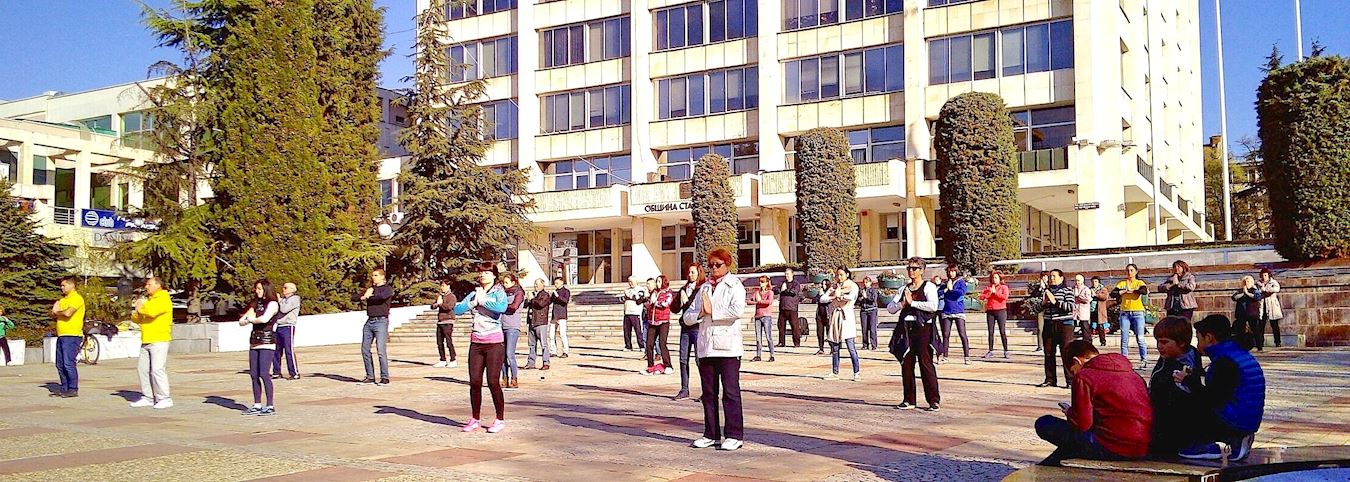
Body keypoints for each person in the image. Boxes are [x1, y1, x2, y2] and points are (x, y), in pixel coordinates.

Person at [1034, 340, 1152, 466]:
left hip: (1112, 447)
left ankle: (1047, 466)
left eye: (1072, 371)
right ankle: (1047, 465)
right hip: (1141, 446)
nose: (1074, 375)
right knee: (1070, 445)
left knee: (1044, 423)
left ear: (1076, 361)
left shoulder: (1084, 376)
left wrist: (1070, 412)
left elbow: (1082, 424)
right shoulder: (1133, 374)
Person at [1179, 315, 1265, 461]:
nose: (1197, 345)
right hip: (1248, 418)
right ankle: (1238, 440)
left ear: (1209, 338)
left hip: (1236, 421)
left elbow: (1213, 398)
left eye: (1199, 339)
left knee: (1189, 403)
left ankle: (1211, 445)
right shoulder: (1237, 353)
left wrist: (1187, 381)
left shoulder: (1224, 362)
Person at [690, 248, 748, 451]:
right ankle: (711, 433)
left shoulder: (735, 285)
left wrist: (711, 311)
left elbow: (737, 310)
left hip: (728, 347)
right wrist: (700, 313)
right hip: (706, 347)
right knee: (708, 393)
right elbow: (688, 315)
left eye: (718, 265)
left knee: (730, 392)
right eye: (711, 265)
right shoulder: (704, 287)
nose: (714, 268)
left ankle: (734, 435)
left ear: (727, 265)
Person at [453, 265, 510, 434]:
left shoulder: (499, 292)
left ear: (494, 275)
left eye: (487, 272)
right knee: (475, 382)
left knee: (493, 381)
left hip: (494, 343)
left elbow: (502, 308)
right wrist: (473, 302)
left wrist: (483, 300)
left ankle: (499, 419)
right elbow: (457, 310)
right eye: (481, 273)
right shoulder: (474, 293)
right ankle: (475, 418)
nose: (483, 275)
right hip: (476, 343)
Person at [886, 257, 941, 411]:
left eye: (914, 268)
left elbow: (933, 306)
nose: (911, 271)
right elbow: (890, 308)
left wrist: (913, 303)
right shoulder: (903, 289)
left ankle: (933, 400)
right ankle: (909, 399)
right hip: (906, 328)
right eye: (909, 268)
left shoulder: (928, 286)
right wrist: (903, 303)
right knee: (907, 363)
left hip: (923, 329)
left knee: (926, 364)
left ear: (922, 270)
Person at [1148, 316, 1205, 456]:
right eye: (1158, 341)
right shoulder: (1167, 361)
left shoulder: (1183, 363)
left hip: (1177, 427)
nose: (1159, 346)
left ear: (1181, 343)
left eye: (1164, 342)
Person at [128, 277, 174, 409]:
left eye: (149, 284)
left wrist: (141, 306)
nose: (146, 287)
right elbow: (137, 318)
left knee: (157, 369)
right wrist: (137, 310)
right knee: (142, 369)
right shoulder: (149, 300)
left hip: (159, 339)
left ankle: (164, 398)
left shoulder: (163, 298)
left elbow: (151, 312)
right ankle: (147, 397)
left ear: (158, 285)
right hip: (146, 338)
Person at [239, 279, 280, 416]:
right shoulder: (255, 304)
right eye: (256, 288)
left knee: (264, 373)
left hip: (267, 341)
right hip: (254, 341)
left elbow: (264, 319)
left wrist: (251, 319)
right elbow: (242, 321)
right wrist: (249, 318)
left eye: (260, 289)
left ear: (266, 289)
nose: (257, 291)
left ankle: (270, 405)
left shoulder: (272, 304)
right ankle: (257, 404)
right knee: (254, 374)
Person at [1038, 269, 1078, 388]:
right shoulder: (1046, 291)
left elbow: (1070, 307)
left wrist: (1055, 302)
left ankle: (1070, 380)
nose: (1051, 279)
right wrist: (1043, 303)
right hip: (1049, 324)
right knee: (1049, 352)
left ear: (1061, 278)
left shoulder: (1067, 290)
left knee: (1066, 352)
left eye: (1054, 276)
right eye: (1050, 276)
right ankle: (1050, 379)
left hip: (1064, 324)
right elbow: (1035, 308)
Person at [821, 267, 861, 381]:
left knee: (850, 346)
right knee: (835, 346)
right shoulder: (834, 286)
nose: (839, 277)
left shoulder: (852, 285)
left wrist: (840, 295)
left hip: (847, 315)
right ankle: (835, 372)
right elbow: (823, 298)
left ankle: (856, 372)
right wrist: (833, 296)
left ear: (847, 274)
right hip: (836, 315)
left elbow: (852, 297)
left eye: (841, 275)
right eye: (837, 275)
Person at [673, 263, 705, 401]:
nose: (690, 275)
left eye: (693, 272)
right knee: (683, 359)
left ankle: (706, 391)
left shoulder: (702, 288)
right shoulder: (684, 288)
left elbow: (697, 306)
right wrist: (679, 299)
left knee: (700, 360)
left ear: (699, 273)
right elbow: (674, 308)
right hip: (685, 327)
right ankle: (684, 389)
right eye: (689, 272)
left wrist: (686, 301)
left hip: (697, 327)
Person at [358, 269, 394, 385]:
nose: (373, 277)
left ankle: (384, 377)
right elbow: (355, 297)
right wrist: (365, 295)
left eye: (376, 275)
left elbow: (380, 298)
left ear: (382, 276)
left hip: (381, 321)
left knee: (381, 350)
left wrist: (368, 296)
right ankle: (370, 376)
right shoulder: (370, 289)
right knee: (365, 349)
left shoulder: (387, 289)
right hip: (370, 321)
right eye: (373, 275)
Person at [50, 278, 85, 398]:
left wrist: (56, 311)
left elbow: (68, 313)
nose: (61, 288)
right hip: (61, 335)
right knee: (59, 364)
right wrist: (55, 312)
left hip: (72, 335)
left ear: (71, 286)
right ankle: (64, 388)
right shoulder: (63, 300)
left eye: (64, 285)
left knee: (68, 363)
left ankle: (73, 388)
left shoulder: (76, 298)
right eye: (61, 286)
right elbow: (53, 314)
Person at [1113, 264, 1150, 369]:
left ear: (1136, 272)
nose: (1129, 272)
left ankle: (1144, 359)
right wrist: (1124, 291)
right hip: (1125, 313)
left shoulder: (1139, 282)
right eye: (1128, 270)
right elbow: (1113, 293)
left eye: (1132, 270)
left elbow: (1143, 291)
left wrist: (1133, 291)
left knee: (1140, 338)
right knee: (1124, 338)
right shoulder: (1122, 283)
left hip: (1138, 312)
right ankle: (1124, 360)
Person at [938, 265, 971, 365]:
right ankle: (945, 356)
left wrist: (952, 289)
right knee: (945, 334)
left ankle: (967, 357)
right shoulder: (946, 282)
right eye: (950, 271)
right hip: (947, 311)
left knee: (962, 334)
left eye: (953, 271)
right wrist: (945, 290)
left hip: (958, 311)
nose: (951, 273)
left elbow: (961, 293)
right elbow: (938, 293)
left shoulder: (961, 282)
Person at [499, 274, 526, 390]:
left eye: (507, 282)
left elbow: (514, 307)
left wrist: (501, 307)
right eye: (503, 283)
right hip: (501, 326)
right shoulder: (502, 293)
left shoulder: (518, 292)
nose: (504, 285)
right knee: (502, 355)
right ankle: (504, 377)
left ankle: (514, 378)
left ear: (513, 282)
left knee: (510, 354)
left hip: (512, 326)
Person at [643, 276, 674, 374]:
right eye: (657, 281)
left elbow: (666, 304)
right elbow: (648, 304)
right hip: (652, 321)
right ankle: (650, 366)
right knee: (649, 344)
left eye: (660, 281)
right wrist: (647, 300)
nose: (658, 283)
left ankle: (668, 365)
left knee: (662, 343)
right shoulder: (654, 292)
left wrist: (655, 302)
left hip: (663, 321)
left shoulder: (668, 292)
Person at [272, 282, 301, 380]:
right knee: (276, 350)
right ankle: (276, 372)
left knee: (289, 350)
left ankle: (294, 373)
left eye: (285, 287)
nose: (283, 289)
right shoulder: (283, 300)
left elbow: (284, 309)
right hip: (279, 326)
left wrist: (279, 300)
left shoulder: (295, 299)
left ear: (292, 289)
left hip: (288, 326)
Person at [979, 270, 1010, 359]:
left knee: (1002, 331)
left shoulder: (1004, 287)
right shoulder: (989, 287)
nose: (994, 279)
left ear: (1000, 278)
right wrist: (989, 293)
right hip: (990, 311)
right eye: (993, 278)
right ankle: (990, 351)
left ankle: (1006, 350)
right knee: (990, 332)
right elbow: (981, 296)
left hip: (1001, 311)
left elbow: (1004, 297)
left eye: (996, 278)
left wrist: (995, 293)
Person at [525, 279, 552, 371]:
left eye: (537, 284)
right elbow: (525, 305)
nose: (535, 286)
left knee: (544, 344)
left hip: (540, 322)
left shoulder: (545, 295)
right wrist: (527, 299)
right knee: (531, 344)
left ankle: (546, 362)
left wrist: (532, 299)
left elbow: (541, 304)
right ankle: (531, 363)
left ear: (542, 285)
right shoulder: (533, 294)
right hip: (531, 321)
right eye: (535, 284)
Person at [432, 280, 459, 368]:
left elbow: (448, 307)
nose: (442, 287)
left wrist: (440, 304)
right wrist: (437, 303)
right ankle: (442, 359)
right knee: (439, 342)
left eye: (443, 286)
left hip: (448, 321)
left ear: (448, 286)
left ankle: (453, 359)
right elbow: (432, 306)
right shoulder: (440, 296)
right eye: (441, 286)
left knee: (448, 342)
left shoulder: (452, 297)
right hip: (440, 321)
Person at [775, 267, 802, 348]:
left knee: (794, 326)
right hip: (782, 308)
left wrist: (785, 290)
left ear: (792, 274)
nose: (786, 275)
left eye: (788, 274)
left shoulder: (796, 283)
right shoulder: (782, 283)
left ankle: (796, 343)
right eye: (785, 274)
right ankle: (781, 342)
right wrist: (780, 290)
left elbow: (794, 292)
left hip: (792, 308)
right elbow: (775, 290)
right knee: (781, 326)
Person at [1257, 269, 1283, 350]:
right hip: (1262, 306)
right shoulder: (1258, 283)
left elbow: (1276, 289)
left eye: (1265, 275)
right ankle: (1260, 342)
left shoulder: (1273, 282)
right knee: (1261, 325)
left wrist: (1265, 290)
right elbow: (1257, 292)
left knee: (1274, 325)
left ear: (1268, 275)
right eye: (1262, 275)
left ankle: (1277, 342)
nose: (1264, 277)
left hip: (1272, 306)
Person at [750, 275, 775, 362]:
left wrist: (759, 301)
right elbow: (749, 301)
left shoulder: (770, 292)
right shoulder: (757, 292)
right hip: (758, 316)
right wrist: (757, 302)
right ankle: (758, 355)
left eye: (762, 282)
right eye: (760, 281)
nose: (761, 283)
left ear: (767, 283)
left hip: (766, 316)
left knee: (768, 336)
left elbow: (769, 302)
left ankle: (772, 355)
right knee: (758, 338)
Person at [621, 277, 647, 352]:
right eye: (629, 281)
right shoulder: (627, 290)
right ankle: (628, 346)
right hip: (627, 312)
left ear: (636, 281)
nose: (630, 283)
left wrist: (630, 296)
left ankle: (642, 346)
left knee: (638, 331)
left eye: (632, 281)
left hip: (636, 313)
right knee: (626, 331)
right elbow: (622, 299)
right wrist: (628, 296)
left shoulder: (640, 289)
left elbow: (638, 298)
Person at [813, 279, 835, 356]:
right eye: (822, 284)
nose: (823, 286)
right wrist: (819, 295)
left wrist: (823, 296)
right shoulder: (821, 292)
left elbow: (827, 300)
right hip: (820, 314)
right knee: (820, 332)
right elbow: (815, 300)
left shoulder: (831, 292)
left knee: (829, 333)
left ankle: (832, 349)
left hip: (828, 314)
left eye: (825, 284)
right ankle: (821, 348)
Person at [550, 277, 571, 358]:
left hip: (562, 315)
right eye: (555, 283)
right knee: (551, 335)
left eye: (557, 283)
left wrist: (558, 296)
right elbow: (550, 301)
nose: (555, 285)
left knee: (562, 334)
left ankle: (565, 351)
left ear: (562, 282)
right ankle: (553, 351)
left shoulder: (566, 291)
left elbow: (565, 301)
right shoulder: (555, 292)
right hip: (554, 315)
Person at [858, 277, 880, 350]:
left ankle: (874, 345)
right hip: (864, 310)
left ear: (870, 283)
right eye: (864, 282)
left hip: (872, 310)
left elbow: (873, 300)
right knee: (864, 328)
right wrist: (860, 299)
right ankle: (865, 345)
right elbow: (857, 301)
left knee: (872, 328)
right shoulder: (862, 290)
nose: (865, 284)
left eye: (867, 282)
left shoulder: (873, 290)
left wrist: (866, 297)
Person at [1072, 275, 1094, 345]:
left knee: (1085, 327)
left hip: (1083, 311)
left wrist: (1079, 297)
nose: (1077, 282)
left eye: (1078, 280)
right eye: (1076, 280)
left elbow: (1088, 299)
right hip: (1075, 311)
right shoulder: (1073, 288)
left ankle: (1087, 342)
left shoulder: (1086, 289)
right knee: (1073, 327)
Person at [1090, 277, 1112, 346]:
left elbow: (1104, 297)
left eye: (1096, 281)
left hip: (1100, 310)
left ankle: (1103, 341)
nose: (1094, 283)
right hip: (1092, 310)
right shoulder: (1090, 289)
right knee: (1091, 325)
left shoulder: (1103, 289)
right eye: (1093, 282)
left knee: (1100, 326)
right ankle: (1090, 341)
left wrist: (1095, 295)